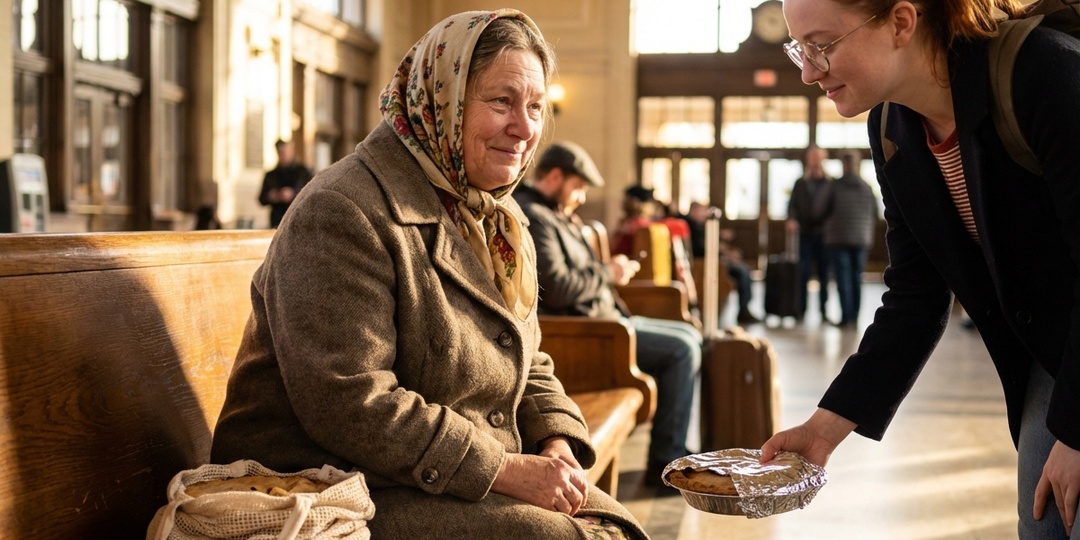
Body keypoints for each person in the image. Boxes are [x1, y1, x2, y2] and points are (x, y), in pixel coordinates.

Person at [210, 11, 649, 539]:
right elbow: (351, 402)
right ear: (440, 99)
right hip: (331, 482)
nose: (526, 127)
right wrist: (506, 471)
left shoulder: (494, 217)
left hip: (431, 469)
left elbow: (524, 358)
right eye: (501, 101)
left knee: (611, 528)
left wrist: (557, 439)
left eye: (535, 106)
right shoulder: (342, 210)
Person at [768, 1, 1080, 538]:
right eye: (800, 48)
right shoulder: (893, 128)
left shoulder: (1044, 71)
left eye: (822, 45)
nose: (808, 70)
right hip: (1055, 356)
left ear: (901, 22)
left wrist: (1076, 434)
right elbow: (916, 293)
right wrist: (826, 427)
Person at [514, 141, 701, 489]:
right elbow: (556, 287)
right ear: (555, 177)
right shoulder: (535, 217)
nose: (582, 197)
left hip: (606, 321)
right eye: (579, 187)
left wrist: (607, 273)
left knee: (690, 335)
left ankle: (673, 448)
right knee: (682, 349)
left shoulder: (556, 214)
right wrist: (608, 273)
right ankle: (664, 458)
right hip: (589, 334)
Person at [822, 150, 878, 327]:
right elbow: (875, 213)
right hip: (861, 239)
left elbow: (821, 210)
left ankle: (846, 317)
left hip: (839, 238)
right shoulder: (867, 187)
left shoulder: (834, 186)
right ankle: (854, 317)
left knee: (843, 278)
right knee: (856, 278)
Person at [683, 202, 762, 324]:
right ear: (694, 211)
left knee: (745, 269)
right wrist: (724, 254)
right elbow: (702, 248)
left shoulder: (700, 225)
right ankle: (743, 310)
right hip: (705, 264)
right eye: (702, 210)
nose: (705, 213)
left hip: (714, 261)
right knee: (741, 272)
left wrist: (727, 252)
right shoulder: (691, 225)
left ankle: (744, 309)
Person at [786, 145, 833, 321]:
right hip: (805, 234)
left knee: (824, 274)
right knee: (803, 273)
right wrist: (791, 219)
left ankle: (823, 311)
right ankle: (800, 311)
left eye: (817, 157)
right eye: (811, 157)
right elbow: (792, 206)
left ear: (823, 159)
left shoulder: (830, 183)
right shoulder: (800, 183)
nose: (814, 160)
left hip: (824, 235)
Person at [258, 139, 313, 228]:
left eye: (285, 152)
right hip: (278, 220)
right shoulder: (271, 175)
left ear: (291, 151)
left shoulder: (303, 172)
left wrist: (293, 194)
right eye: (281, 153)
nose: (283, 155)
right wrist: (271, 196)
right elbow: (261, 199)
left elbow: (312, 193)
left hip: (298, 219)